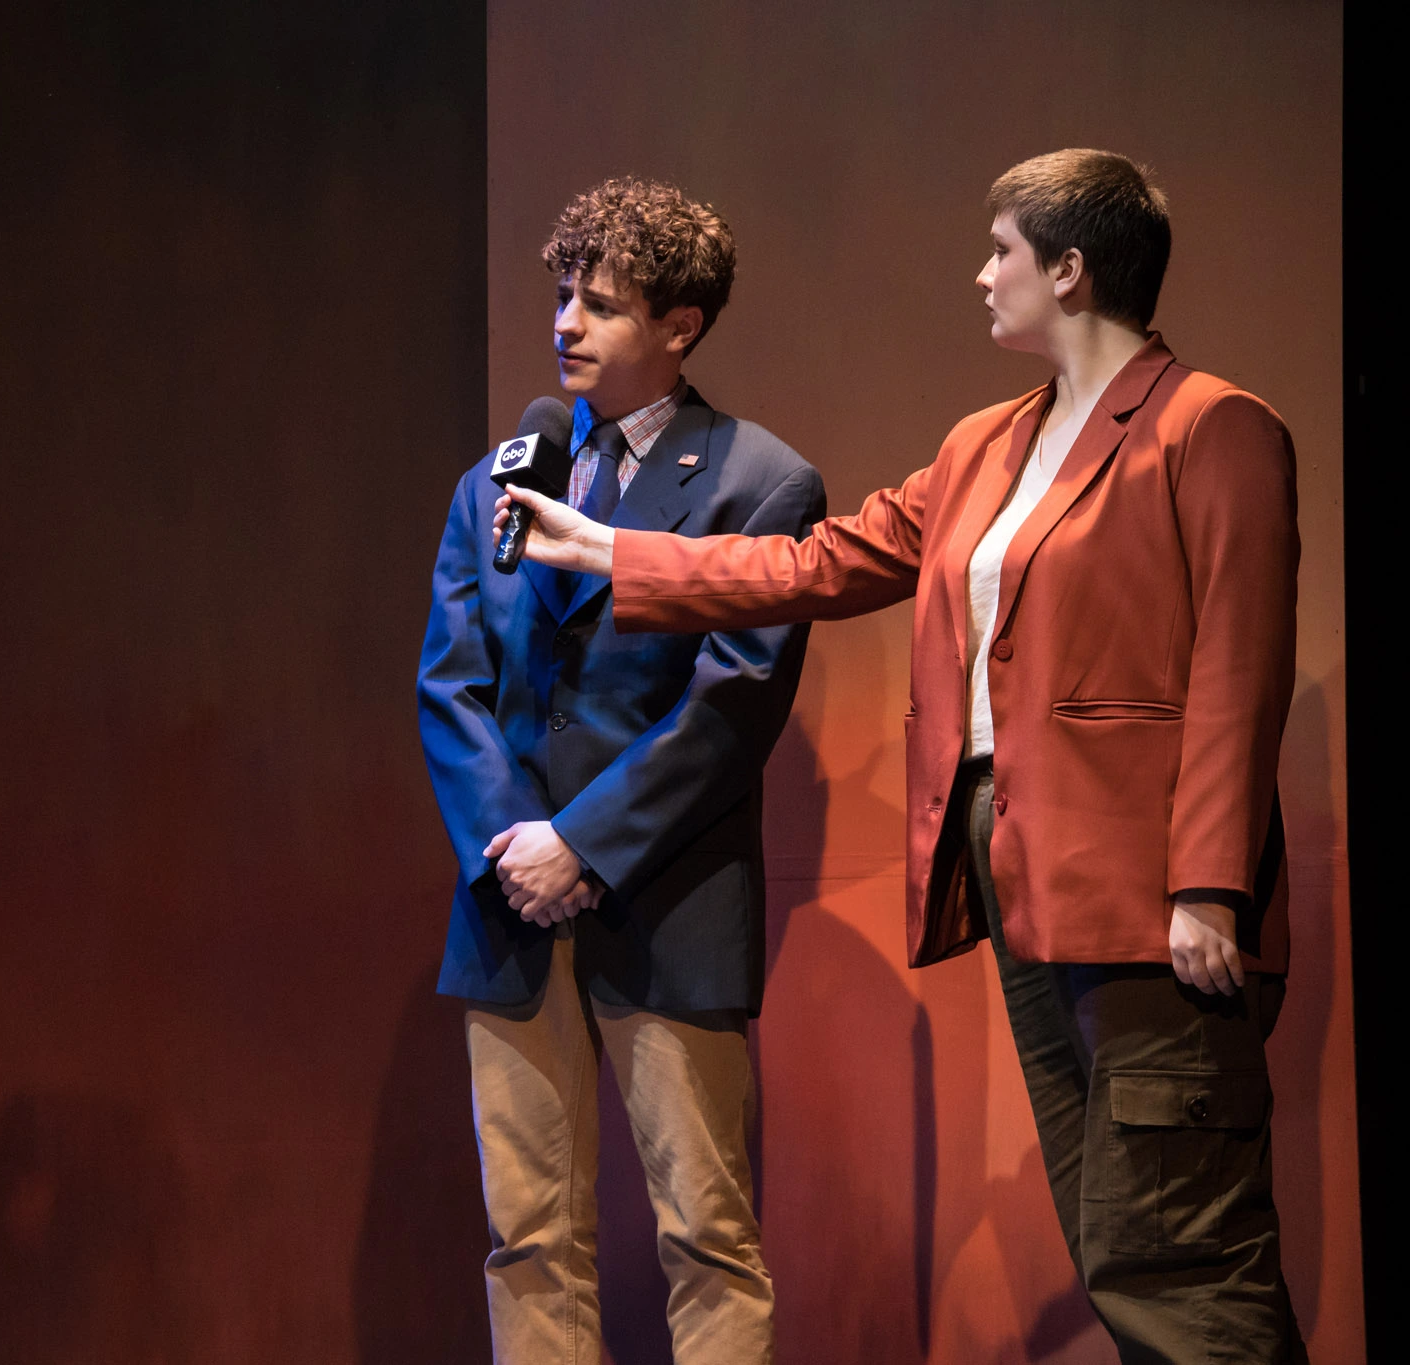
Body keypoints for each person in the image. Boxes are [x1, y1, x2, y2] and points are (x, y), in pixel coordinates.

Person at [499, 149, 1307, 1362]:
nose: (981, 275)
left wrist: (1206, 885)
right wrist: (613, 555)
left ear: (1072, 271)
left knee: (1177, 1239)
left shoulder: (1210, 427)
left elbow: (1235, 674)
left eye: (1002, 252)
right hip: (1028, 872)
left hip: (1148, 888)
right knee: (1114, 1231)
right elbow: (818, 562)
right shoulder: (990, 442)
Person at [419, 176, 824, 1364]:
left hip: (664, 904)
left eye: (598, 304)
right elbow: (452, 687)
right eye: (560, 295)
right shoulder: (496, 480)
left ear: (677, 327)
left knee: (704, 1236)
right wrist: (516, 849)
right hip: (508, 903)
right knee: (527, 1237)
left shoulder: (761, 481)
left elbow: (730, 702)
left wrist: (581, 848)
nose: (564, 325)